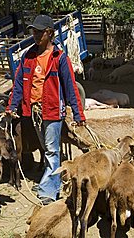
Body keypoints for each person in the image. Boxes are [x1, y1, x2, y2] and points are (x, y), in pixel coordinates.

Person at [5, 14, 86, 205]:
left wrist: (78, 113)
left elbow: (71, 87)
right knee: (46, 148)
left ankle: (48, 192)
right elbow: (18, 84)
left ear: (50, 33)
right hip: (34, 112)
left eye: (39, 32)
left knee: (51, 151)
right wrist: (11, 106)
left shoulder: (60, 58)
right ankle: (52, 182)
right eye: (34, 31)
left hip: (52, 110)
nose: (35, 35)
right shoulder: (28, 56)